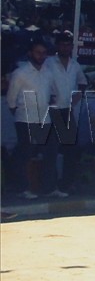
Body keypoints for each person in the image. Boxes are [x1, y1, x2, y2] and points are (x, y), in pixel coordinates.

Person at [6, 38, 60, 199]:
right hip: (25, 119)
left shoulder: (48, 73)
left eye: (44, 53)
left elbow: (52, 94)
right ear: (30, 53)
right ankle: (22, 188)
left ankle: (49, 188)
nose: (41, 56)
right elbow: (11, 100)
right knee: (25, 153)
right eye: (38, 52)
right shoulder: (20, 73)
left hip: (45, 119)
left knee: (51, 152)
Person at [46, 30, 88, 194]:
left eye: (68, 45)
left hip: (67, 111)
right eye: (62, 44)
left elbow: (83, 82)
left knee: (71, 150)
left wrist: (79, 93)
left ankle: (67, 184)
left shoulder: (74, 64)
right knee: (51, 150)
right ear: (57, 46)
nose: (65, 47)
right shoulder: (49, 62)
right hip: (51, 111)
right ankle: (51, 186)